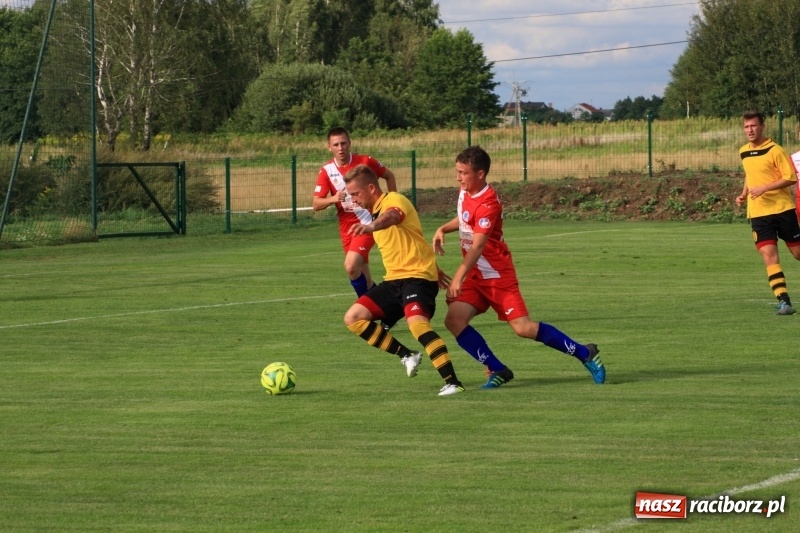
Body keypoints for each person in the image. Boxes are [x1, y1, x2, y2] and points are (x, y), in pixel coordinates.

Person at [432, 146, 605, 388]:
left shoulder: (489, 203)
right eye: (457, 171)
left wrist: (458, 275)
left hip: (497, 275)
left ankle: (584, 353)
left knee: (523, 328)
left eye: (463, 172)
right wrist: (443, 228)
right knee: (454, 320)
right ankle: (497, 369)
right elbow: (464, 218)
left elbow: (478, 246)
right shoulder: (464, 192)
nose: (458, 177)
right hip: (475, 276)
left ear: (480, 174)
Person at [342, 164, 465, 396]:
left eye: (356, 194)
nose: (354, 200)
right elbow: (413, 239)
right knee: (353, 318)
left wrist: (371, 226)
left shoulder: (393, 201)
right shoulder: (374, 212)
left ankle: (453, 382)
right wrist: (435, 267)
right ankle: (407, 355)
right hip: (394, 282)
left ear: (371, 187)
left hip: (417, 279)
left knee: (417, 325)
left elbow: (394, 217)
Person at [313, 127, 397, 298]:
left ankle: (366, 308)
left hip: (367, 223)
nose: (340, 147)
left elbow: (389, 175)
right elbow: (316, 204)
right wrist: (333, 198)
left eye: (343, 143)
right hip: (347, 228)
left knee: (351, 266)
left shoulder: (365, 162)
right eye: (336, 144)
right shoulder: (326, 171)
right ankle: (383, 305)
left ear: (350, 143)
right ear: (329, 147)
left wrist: (392, 202)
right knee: (364, 278)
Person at [736, 110, 800, 316]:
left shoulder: (775, 150)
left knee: (798, 254)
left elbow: (790, 177)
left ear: (762, 126)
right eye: (746, 127)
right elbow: (750, 174)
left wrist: (764, 188)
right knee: (769, 256)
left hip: (783, 210)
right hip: (759, 214)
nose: (750, 130)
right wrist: (744, 194)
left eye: (753, 126)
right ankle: (784, 302)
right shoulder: (743, 151)